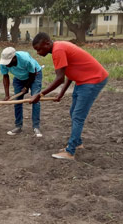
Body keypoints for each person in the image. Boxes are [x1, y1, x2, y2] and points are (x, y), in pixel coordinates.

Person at [31, 32, 109, 160]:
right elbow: (68, 74)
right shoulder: (59, 48)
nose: (38, 53)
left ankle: (70, 152)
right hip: (83, 81)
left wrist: (40, 94)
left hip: (93, 80)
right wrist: (61, 94)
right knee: (73, 112)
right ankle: (77, 143)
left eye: (39, 49)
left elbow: (60, 78)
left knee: (78, 116)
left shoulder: (58, 50)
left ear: (47, 43)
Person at [0, 47, 43, 137]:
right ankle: (18, 126)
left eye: (8, 62)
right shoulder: (3, 63)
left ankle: (36, 127)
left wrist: (26, 86)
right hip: (19, 78)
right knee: (17, 101)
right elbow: (5, 77)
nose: (6, 65)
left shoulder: (25, 59)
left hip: (35, 75)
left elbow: (33, 73)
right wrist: (7, 95)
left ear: (14, 58)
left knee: (35, 99)